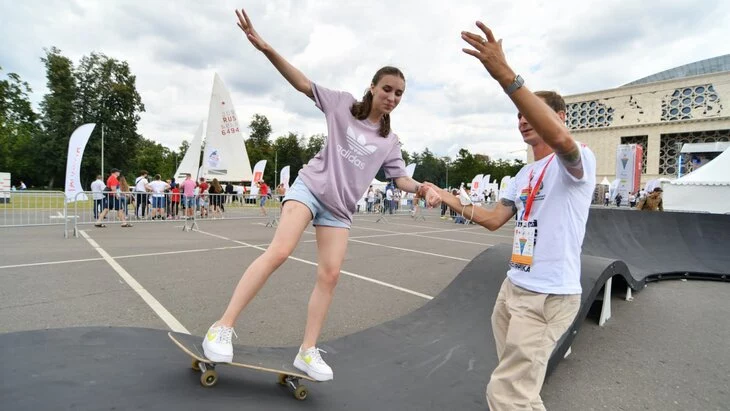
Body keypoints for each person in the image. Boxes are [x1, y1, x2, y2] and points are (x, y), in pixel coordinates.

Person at [201, 7, 441, 383]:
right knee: (279, 251)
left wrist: (423, 186)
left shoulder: (389, 140)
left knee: (329, 276)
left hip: (339, 210)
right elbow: (301, 82)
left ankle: (306, 351)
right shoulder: (343, 104)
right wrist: (265, 47)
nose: (393, 97)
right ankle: (222, 326)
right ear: (373, 88)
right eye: (388, 89)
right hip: (309, 189)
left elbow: (399, 179)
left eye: (399, 94)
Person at [424, 22, 596, 410]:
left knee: (504, 394)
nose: (522, 119)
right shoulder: (522, 175)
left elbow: (562, 141)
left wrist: (505, 75)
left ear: (559, 117)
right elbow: (491, 219)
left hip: (548, 295)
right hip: (513, 287)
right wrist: (447, 197)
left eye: (531, 112)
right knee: (521, 388)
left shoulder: (576, 158)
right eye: (518, 113)